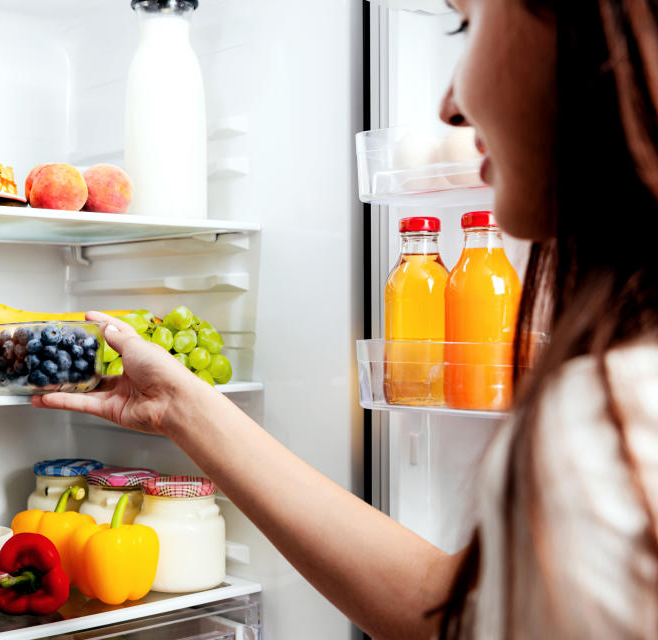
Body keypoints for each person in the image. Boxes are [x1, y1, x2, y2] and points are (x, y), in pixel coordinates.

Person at [34, 1, 658, 637]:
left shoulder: (610, 424)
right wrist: (177, 405)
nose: (449, 104)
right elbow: (451, 612)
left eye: (465, 25)